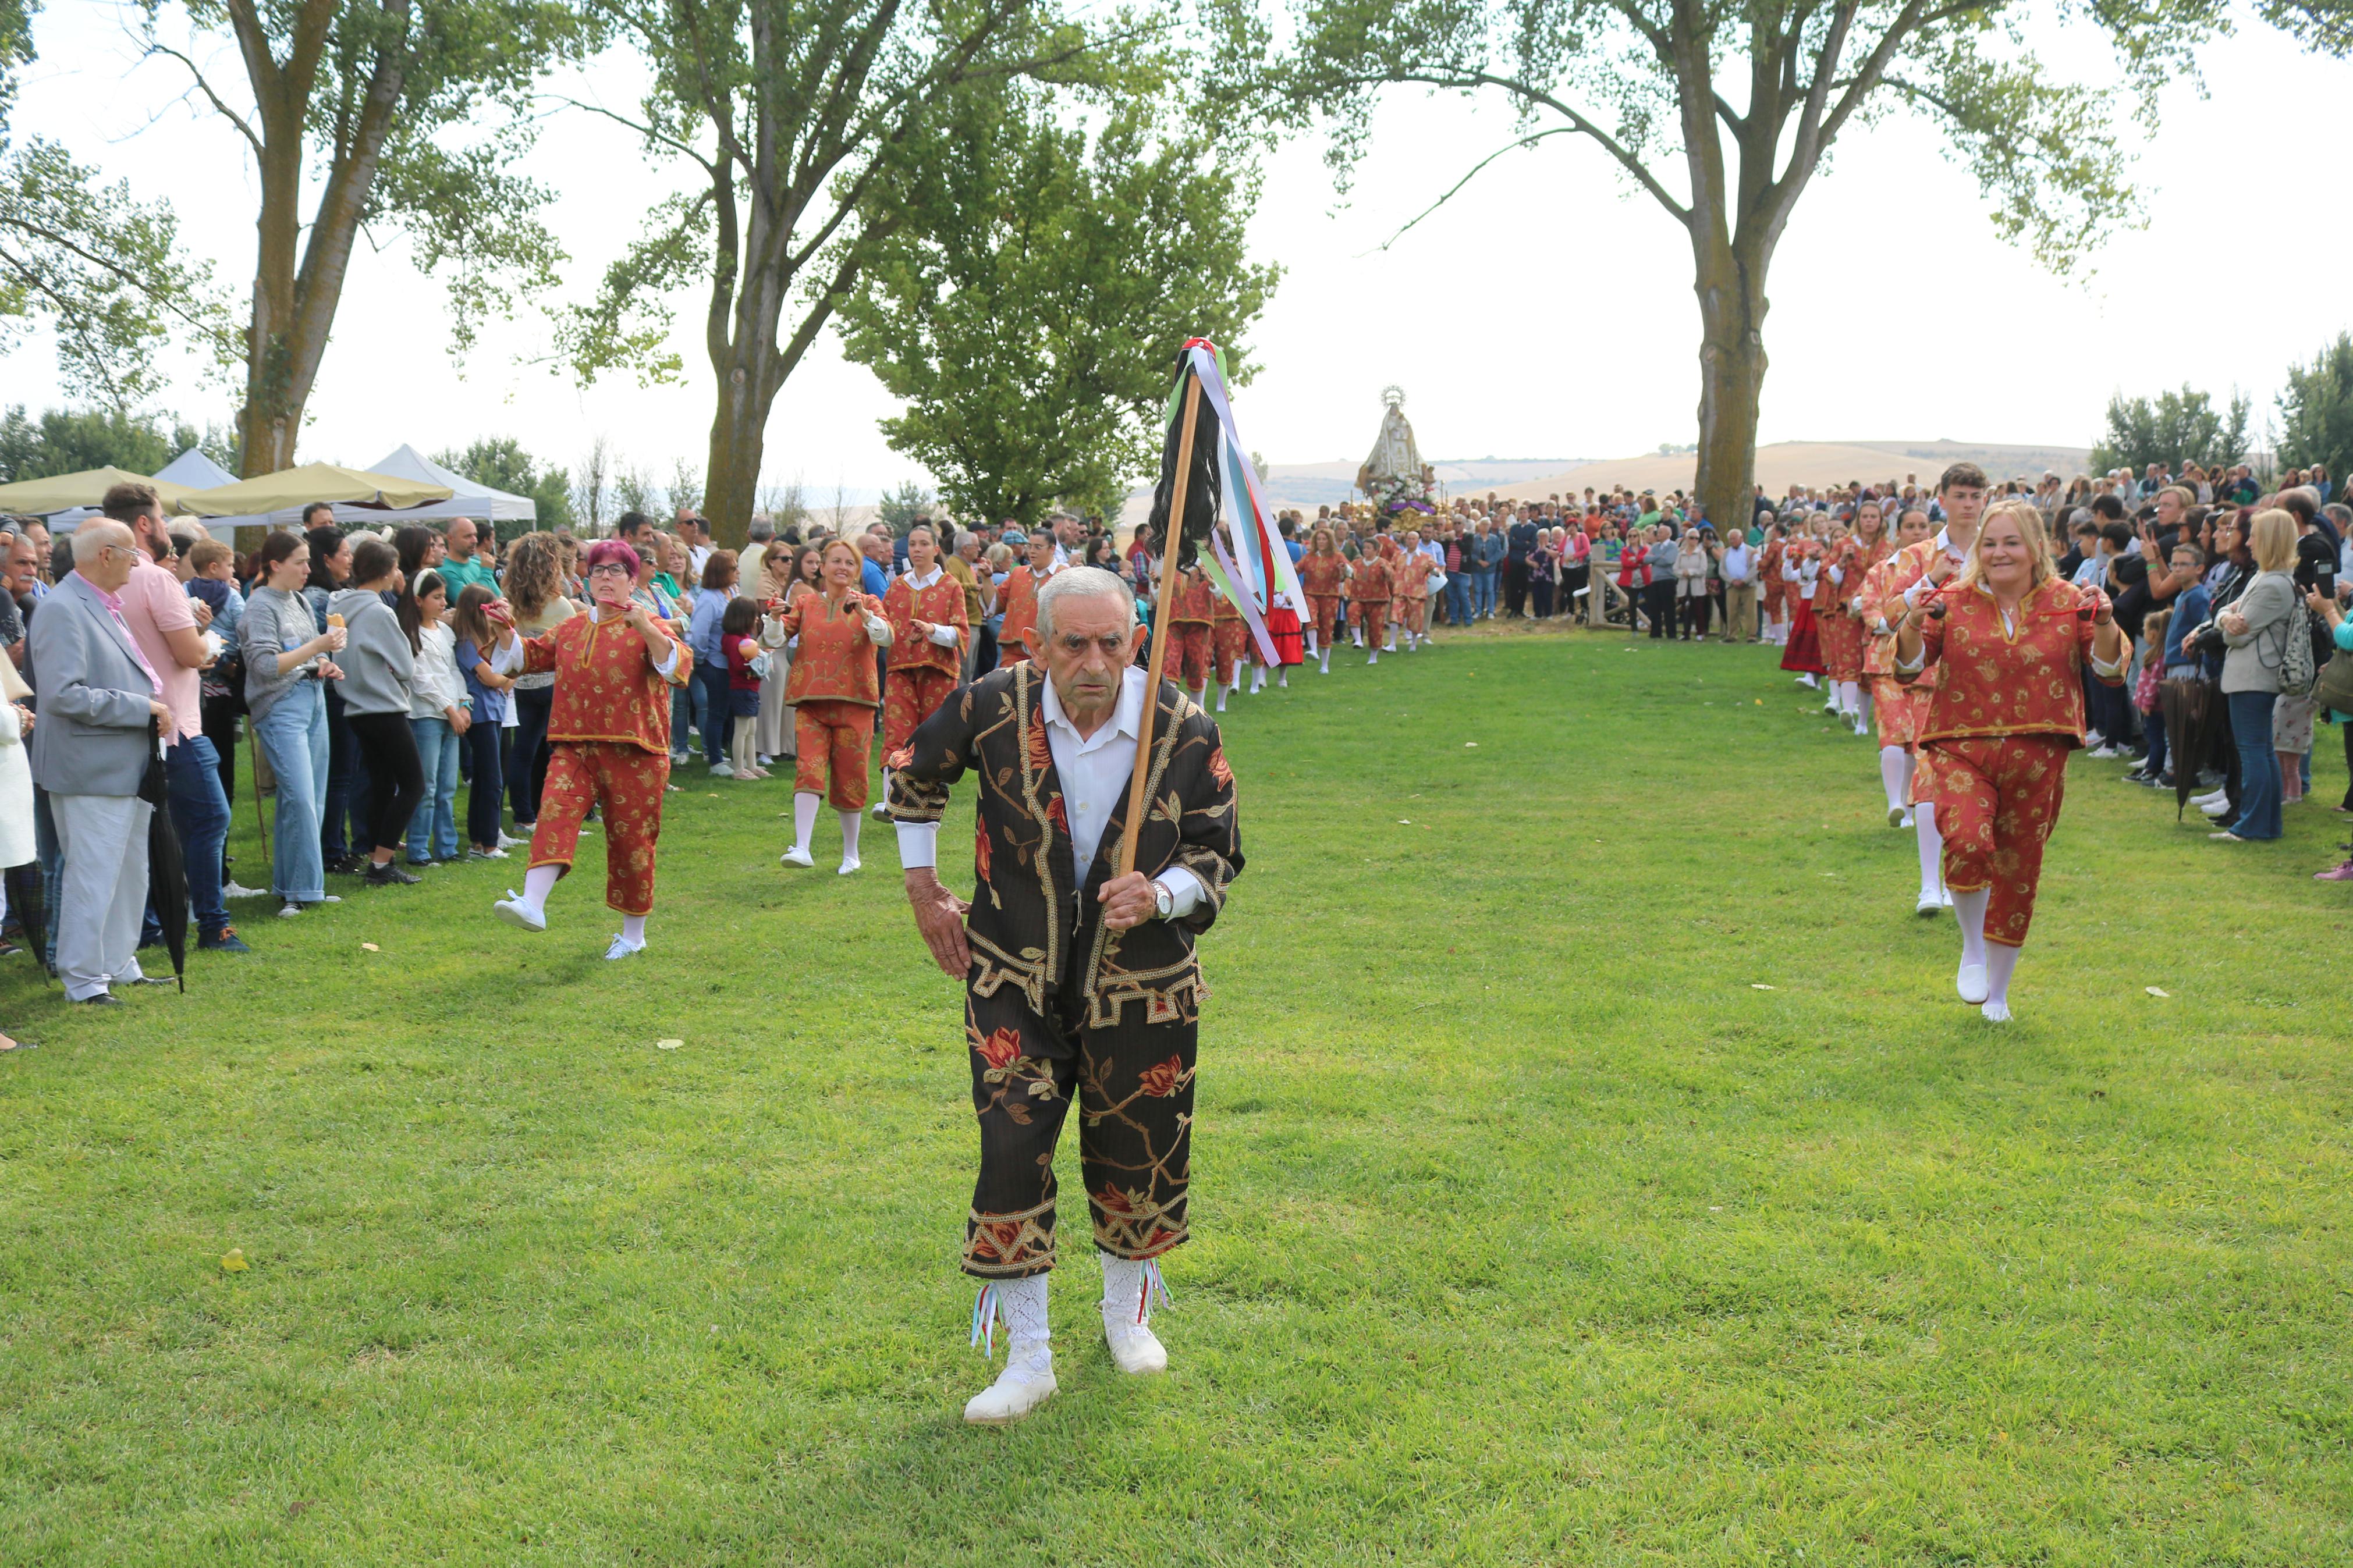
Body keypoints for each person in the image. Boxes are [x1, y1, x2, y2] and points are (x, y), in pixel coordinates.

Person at [886, 565, 1243, 1425]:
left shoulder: (1181, 725)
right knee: (1011, 1150)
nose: (1093, 660)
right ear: (1036, 642)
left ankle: (1125, 1318)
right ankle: (1028, 1356)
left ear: (1136, 642)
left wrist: (1160, 895)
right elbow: (912, 774)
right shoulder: (988, 706)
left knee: (1136, 1143)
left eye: (1111, 642)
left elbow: (1218, 850)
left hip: (1139, 984)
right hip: (1011, 970)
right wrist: (923, 888)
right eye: (1073, 642)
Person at [1893, 500, 2127, 1022]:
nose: (1999, 553)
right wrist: (1910, 624)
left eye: (2010, 542)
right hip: (1960, 748)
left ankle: (1997, 994)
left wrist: (2107, 622)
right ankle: (1971, 948)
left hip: (2038, 758)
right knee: (1967, 839)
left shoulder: (2071, 601)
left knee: (2019, 869)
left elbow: (2110, 670)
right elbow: (1908, 667)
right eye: (1990, 543)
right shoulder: (1950, 601)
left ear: (2035, 548)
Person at [491, 540, 691, 958]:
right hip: (575, 744)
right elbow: (526, 657)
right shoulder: (572, 627)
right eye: (599, 569)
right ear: (587, 578)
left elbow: (677, 668)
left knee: (632, 843)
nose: (606, 577)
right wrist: (504, 630)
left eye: (616, 570)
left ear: (632, 580)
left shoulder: (650, 621)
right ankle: (532, 903)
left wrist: (646, 627)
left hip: (637, 750)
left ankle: (633, 936)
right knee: (553, 813)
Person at [25, 521, 175, 1003]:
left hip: (127, 761)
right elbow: (62, 695)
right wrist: (142, 709)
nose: (139, 562)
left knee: (131, 870)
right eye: (132, 554)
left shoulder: (102, 603)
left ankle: (116, 961)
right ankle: (84, 979)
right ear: (106, 554)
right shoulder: (62, 608)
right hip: (89, 766)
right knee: (93, 873)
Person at [240, 530, 349, 918]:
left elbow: (300, 659)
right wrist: (318, 647)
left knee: (307, 798)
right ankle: (302, 891)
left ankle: (296, 887)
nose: (309, 569)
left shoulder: (299, 599)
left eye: (309, 561)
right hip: (280, 707)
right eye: (301, 562)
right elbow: (266, 666)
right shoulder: (259, 606)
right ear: (275, 565)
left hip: (312, 696)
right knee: (301, 798)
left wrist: (323, 665)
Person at [771, 537, 893, 873]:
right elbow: (776, 638)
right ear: (821, 568)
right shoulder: (806, 603)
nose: (843, 568)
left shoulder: (868, 601)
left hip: (856, 703)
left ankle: (851, 854)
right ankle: (802, 847)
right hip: (811, 702)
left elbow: (886, 637)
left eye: (850, 563)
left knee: (851, 777)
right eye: (836, 561)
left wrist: (867, 615)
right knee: (807, 768)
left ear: (857, 571)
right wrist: (771, 618)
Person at [330, 538, 428, 887]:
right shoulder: (379, 612)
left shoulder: (338, 605)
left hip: (355, 708)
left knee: (382, 784)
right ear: (387, 572)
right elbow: (405, 665)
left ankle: (376, 855)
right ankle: (381, 863)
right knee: (414, 784)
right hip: (384, 707)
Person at [2211, 508, 2302, 844]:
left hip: (2253, 677)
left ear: (2270, 540)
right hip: (2249, 676)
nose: (2247, 542)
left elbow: (2238, 634)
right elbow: (2225, 612)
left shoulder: (2273, 585)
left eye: (2254, 536)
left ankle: (2252, 825)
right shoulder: (2265, 578)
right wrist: (2224, 618)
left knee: (2254, 752)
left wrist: (2226, 622)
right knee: (2261, 751)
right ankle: (2265, 825)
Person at [878, 524, 968, 812]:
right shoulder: (896, 586)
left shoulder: (950, 585)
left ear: (936, 549)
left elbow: (960, 633)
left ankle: (927, 801)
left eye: (923, 544)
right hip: (899, 668)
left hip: (938, 670)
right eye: (913, 544)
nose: (917, 549)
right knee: (896, 731)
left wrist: (932, 630)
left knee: (933, 736)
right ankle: (890, 802)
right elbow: (885, 627)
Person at [499, 532, 573, 829]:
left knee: (523, 751)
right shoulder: (563, 607)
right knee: (556, 754)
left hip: (520, 685)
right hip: (552, 684)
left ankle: (524, 816)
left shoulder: (508, 601)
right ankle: (550, 814)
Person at [452, 584, 518, 855]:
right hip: (481, 715)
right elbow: (494, 678)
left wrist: (504, 676)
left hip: (494, 711)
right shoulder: (467, 643)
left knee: (488, 777)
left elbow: (506, 675)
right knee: (490, 778)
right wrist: (507, 675)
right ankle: (487, 843)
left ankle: (481, 839)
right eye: (490, 609)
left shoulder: (483, 641)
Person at [719, 596, 769, 780]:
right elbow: (739, 665)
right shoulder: (734, 640)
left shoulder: (745, 639)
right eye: (753, 616)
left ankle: (752, 765)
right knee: (741, 730)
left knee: (751, 730)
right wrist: (757, 662)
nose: (757, 619)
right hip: (742, 689)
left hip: (751, 689)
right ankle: (739, 769)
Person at [1298, 526, 1347, 673]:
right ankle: (1313, 649)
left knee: (1327, 628)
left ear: (1329, 541)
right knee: (1311, 617)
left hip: (1330, 596)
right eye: (1319, 539)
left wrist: (1343, 570)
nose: (1321, 542)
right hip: (1310, 594)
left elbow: (1348, 572)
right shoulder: (1309, 557)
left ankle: (1325, 665)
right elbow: (1298, 569)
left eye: (1324, 539)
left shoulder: (1338, 556)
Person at [1348, 539, 1394, 666]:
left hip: (1378, 600)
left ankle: (1373, 656)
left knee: (1376, 627)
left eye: (1369, 548)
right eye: (1365, 548)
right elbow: (1348, 573)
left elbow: (1391, 577)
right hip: (1359, 598)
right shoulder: (1357, 563)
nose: (1366, 550)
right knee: (1352, 611)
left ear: (1376, 550)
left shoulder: (1383, 563)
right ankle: (1358, 640)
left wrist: (1386, 570)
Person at [437, 517, 499, 600]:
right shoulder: (444, 570)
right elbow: (473, 604)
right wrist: (486, 572)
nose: (475, 541)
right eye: (468, 536)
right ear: (451, 538)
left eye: (475, 535)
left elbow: (500, 597)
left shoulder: (479, 564)